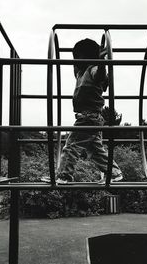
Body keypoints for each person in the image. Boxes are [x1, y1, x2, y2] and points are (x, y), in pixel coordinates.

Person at [44, 38, 123, 184]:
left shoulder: (93, 69)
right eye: (74, 58)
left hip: (88, 118)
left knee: (71, 146)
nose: (75, 61)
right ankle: (114, 173)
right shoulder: (80, 73)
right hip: (90, 118)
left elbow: (100, 75)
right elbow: (77, 68)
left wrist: (101, 61)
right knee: (95, 151)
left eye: (78, 57)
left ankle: (63, 176)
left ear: (88, 57)